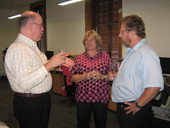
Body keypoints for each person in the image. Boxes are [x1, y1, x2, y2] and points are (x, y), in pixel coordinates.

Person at [5, 11, 74, 128]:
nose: (43, 29)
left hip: (39, 101)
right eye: (41, 25)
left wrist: (57, 62)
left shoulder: (31, 47)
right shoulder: (19, 48)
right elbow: (25, 83)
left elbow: (39, 66)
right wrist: (51, 63)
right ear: (30, 25)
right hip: (31, 103)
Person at [111, 15, 164, 128]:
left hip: (134, 110)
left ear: (132, 32)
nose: (120, 35)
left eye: (122, 32)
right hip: (126, 108)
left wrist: (137, 105)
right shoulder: (132, 51)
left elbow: (154, 86)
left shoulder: (146, 53)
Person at [70, 30, 112, 128]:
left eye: (91, 40)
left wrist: (102, 76)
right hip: (83, 97)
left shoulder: (105, 57)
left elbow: (110, 77)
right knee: (82, 124)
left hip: (101, 97)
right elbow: (72, 78)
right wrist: (84, 76)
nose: (88, 42)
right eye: (86, 40)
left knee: (101, 124)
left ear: (97, 42)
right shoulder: (79, 58)